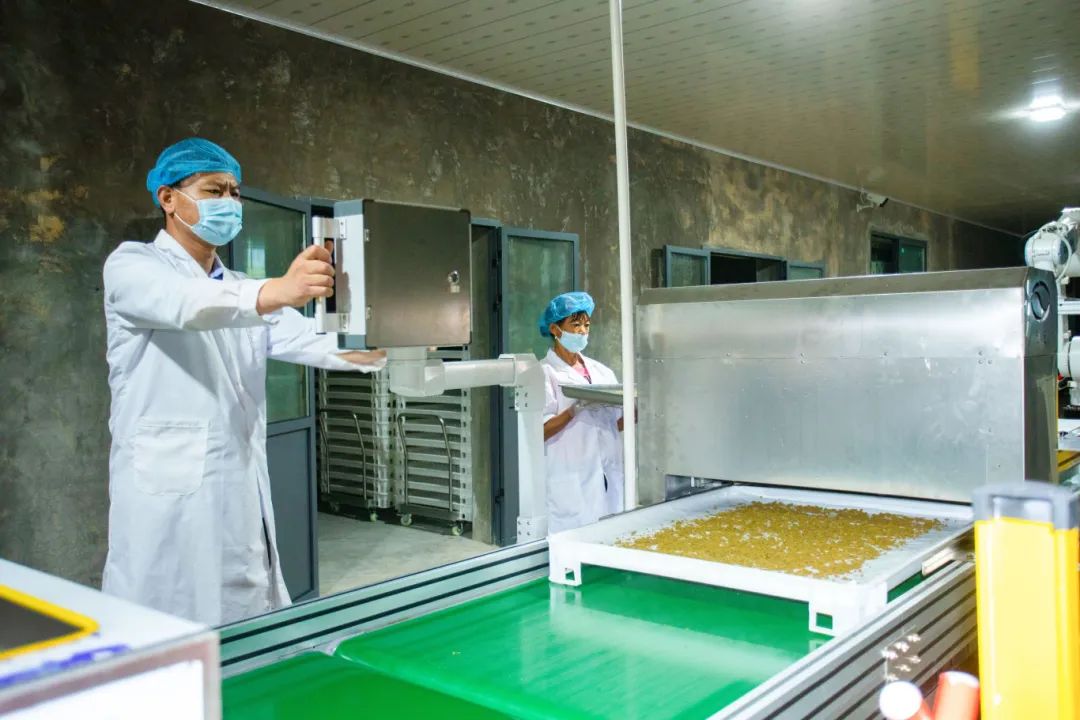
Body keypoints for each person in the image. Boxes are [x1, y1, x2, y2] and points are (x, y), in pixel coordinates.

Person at [101, 138, 385, 625]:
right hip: (166, 494)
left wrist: (392, 342)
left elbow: (312, 341)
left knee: (241, 608)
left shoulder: (236, 286)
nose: (229, 203)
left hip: (236, 482)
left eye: (235, 193)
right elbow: (184, 304)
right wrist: (279, 290)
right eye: (214, 190)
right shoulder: (133, 266)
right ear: (168, 198)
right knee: (163, 614)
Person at [539, 291, 626, 534]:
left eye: (586, 325)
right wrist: (573, 410)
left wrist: (637, 410)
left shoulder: (602, 372)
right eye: (575, 325)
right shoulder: (544, 373)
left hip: (607, 471)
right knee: (573, 540)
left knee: (612, 533)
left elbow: (615, 423)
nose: (582, 332)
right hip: (570, 475)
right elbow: (539, 431)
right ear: (555, 329)